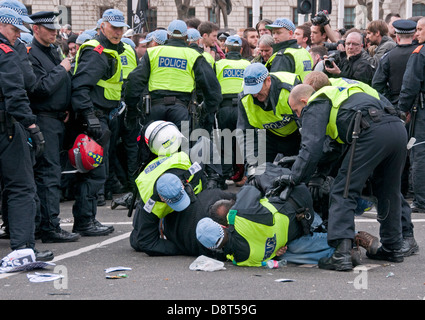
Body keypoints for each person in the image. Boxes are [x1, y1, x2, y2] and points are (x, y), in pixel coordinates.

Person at [287, 81, 407, 271]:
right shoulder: (343, 92)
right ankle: (393, 247)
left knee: (343, 191)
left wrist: (294, 177)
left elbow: (311, 148)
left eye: (296, 110)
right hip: (397, 129)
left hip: (370, 130)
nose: (298, 116)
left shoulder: (317, 101)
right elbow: (334, 148)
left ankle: (341, 254)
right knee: (388, 192)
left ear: (304, 100)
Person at [196, 164, 339, 267]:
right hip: (298, 201)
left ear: (212, 248)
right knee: (260, 173)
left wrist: (276, 251)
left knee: (288, 253)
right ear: (223, 225)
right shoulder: (239, 213)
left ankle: (339, 246)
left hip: (295, 229)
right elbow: (251, 189)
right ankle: (343, 239)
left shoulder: (241, 260)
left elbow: (270, 257)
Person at [0, 7, 53, 261]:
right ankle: (22, 249)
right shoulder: (6, 53)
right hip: (6, 129)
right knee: (21, 187)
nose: (15, 36)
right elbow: (16, 94)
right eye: (13, 30)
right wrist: (32, 126)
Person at [70, 8, 129, 236]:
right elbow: (81, 87)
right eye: (113, 27)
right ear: (102, 25)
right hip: (94, 117)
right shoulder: (97, 52)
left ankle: (87, 219)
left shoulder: (110, 50)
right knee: (94, 172)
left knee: (96, 171)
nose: (117, 32)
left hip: (102, 116)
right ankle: (85, 221)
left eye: (120, 28)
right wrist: (91, 117)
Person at [27, 11, 79, 243]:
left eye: (56, 29)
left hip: (56, 118)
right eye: (49, 30)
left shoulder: (52, 50)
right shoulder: (33, 53)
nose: (55, 33)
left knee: (50, 173)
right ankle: (49, 227)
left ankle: (44, 224)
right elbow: (40, 88)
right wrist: (63, 68)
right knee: (48, 174)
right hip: (44, 119)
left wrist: (65, 106)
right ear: (36, 29)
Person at [125, 19, 222, 133]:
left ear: (167, 35)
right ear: (186, 37)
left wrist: (132, 110)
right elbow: (213, 89)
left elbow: (134, 81)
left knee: (150, 147)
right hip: (182, 111)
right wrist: (204, 111)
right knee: (183, 148)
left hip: (155, 110)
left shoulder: (153, 53)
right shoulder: (193, 55)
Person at [236, 63, 301, 178]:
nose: (255, 94)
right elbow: (246, 133)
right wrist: (253, 164)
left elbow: (307, 128)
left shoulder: (289, 90)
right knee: (258, 176)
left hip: (296, 136)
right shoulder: (245, 97)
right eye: (251, 91)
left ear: (268, 80)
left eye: (257, 89)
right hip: (268, 137)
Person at [215, 35, 250, 186]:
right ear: (241, 50)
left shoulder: (219, 64)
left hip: (224, 107)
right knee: (244, 140)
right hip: (243, 107)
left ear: (226, 49)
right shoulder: (247, 64)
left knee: (225, 140)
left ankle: (225, 174)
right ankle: (243, 173)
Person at [398, 17, 425, 213]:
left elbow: (410, 85)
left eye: (420, 29)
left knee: (420, 152)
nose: (416, 33)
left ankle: (422, 199)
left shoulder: (420, 53)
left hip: (422, 113)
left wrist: (402, 109)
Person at [372, 19, 418, 105]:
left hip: (395, 103)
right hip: (419, 104)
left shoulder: (388, 56)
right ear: (414, 36)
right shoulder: (420, 54)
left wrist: (389, 101)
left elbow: (377, 84)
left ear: (397, 37)